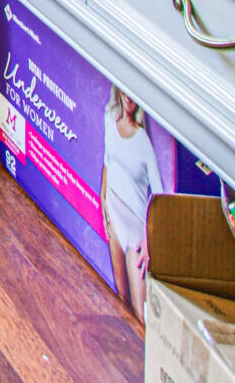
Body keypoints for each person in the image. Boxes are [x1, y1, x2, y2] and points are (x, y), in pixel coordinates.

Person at [102, 86, 164, 311]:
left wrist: (150, 238)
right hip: (114, 213)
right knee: (120, 297)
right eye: (126, 92)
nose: (129, 98)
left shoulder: (143, 143)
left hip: (136, 227)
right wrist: (104, 205)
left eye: (134, 95)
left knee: (140, 311)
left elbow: (158, 192)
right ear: (119, 91)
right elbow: (107, 162)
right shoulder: (109, 119)